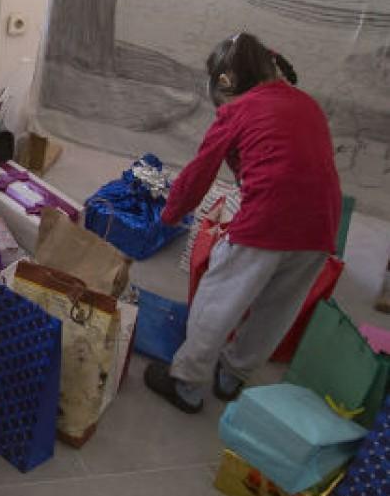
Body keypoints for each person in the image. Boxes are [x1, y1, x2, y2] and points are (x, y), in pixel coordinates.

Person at [145, 32, 341, 414]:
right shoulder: (307, 104)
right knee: (278, 306)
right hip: (321, 225)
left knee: (219, 296)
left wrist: (169, 216)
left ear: (226, 81)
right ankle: (233, 375)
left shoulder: (238, 110)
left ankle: (185, 381)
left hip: (268, 218)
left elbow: (199, 173)